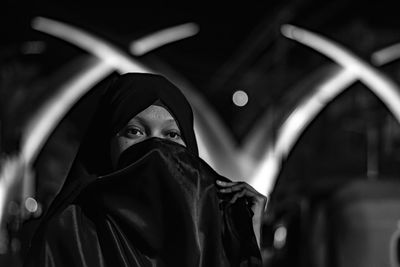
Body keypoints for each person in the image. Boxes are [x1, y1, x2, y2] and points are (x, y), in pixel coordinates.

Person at [23, 72, 267, 267]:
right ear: (105, 142)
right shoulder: (71, 231)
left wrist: (248, 233)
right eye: (135, 132)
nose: (155, 148)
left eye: (171, 134)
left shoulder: (213, 231)